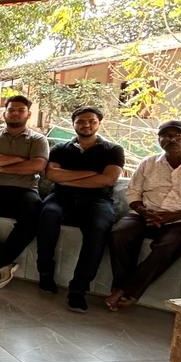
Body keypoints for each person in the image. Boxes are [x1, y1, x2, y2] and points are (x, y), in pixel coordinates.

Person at [105, 120, 181, 310]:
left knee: (168, 245)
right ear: (159, 140)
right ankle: (120, 285)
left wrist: (170, 217)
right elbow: (132, 192)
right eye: (165, 135)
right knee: (120, 234)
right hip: (145, 214)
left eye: (177, 135)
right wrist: (143, 211)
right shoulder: (148, 163)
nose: (171, 139)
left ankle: (128, 290)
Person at [37, 105, 126, 312]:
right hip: (61, 196)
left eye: (91, 121)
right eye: (81, 121)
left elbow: (108, 179)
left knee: (98, 228)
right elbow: (52, 176)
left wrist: (69, 176)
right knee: (48, 214)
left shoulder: (113, 150)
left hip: (97, 201)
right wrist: (91, 175)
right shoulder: (60, 148)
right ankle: (45, 274)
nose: (86, 125)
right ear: (73, 124)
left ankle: (78, 289)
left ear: (99, 123)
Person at [0, 95, 50, 288]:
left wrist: (1, 166)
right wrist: (19, 159)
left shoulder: (38, 139)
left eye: (20, 110)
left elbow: (37, 165)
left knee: (34, 216)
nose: (15, 113)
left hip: (24, 190)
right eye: (11, 109)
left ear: (28, 114)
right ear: (4, 113)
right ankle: (3, 264)